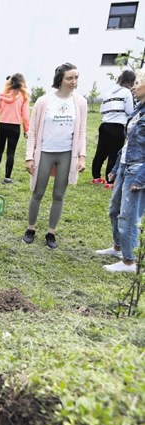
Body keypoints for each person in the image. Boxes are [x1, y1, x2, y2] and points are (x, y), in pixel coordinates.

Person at [23, 62, 87, 249]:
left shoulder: (80, 102)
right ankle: (31, 229)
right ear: (60, 79)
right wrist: (29, 157)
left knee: (59, 194)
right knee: (38, 192)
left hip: (67, 153)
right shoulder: (44, 101)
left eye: (76, 78)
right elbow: (33, 131)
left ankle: (51, 232)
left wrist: (81, 156)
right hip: (45, 152)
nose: (74, 82)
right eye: (70, 78)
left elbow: (82, 132)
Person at [96, 69, 145, 272]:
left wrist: (141, 178)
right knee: (114, 210)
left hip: (137, 170)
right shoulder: (138, 110)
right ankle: (118, 248)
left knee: (129, 215)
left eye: (138, 82)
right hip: (126, 166)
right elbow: (128, 143)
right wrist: (116, 167)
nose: (134, 86)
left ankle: (129, 261)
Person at [91, 70, 136, 188]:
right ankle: (110, 181)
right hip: (117, 126)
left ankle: (96, 177)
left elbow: (101, 110)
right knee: (114, 155)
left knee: (101, 152)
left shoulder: (109, 92)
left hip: (105, 125)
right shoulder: (126, 92)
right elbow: (130, 111)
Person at [0, 73, 30, 184]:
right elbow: (25, 116)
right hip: (15, 127)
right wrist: (26, 130)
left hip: (2, 126)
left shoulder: (2, 95)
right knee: (11, 152)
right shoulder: (24, 97)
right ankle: (7, 178)